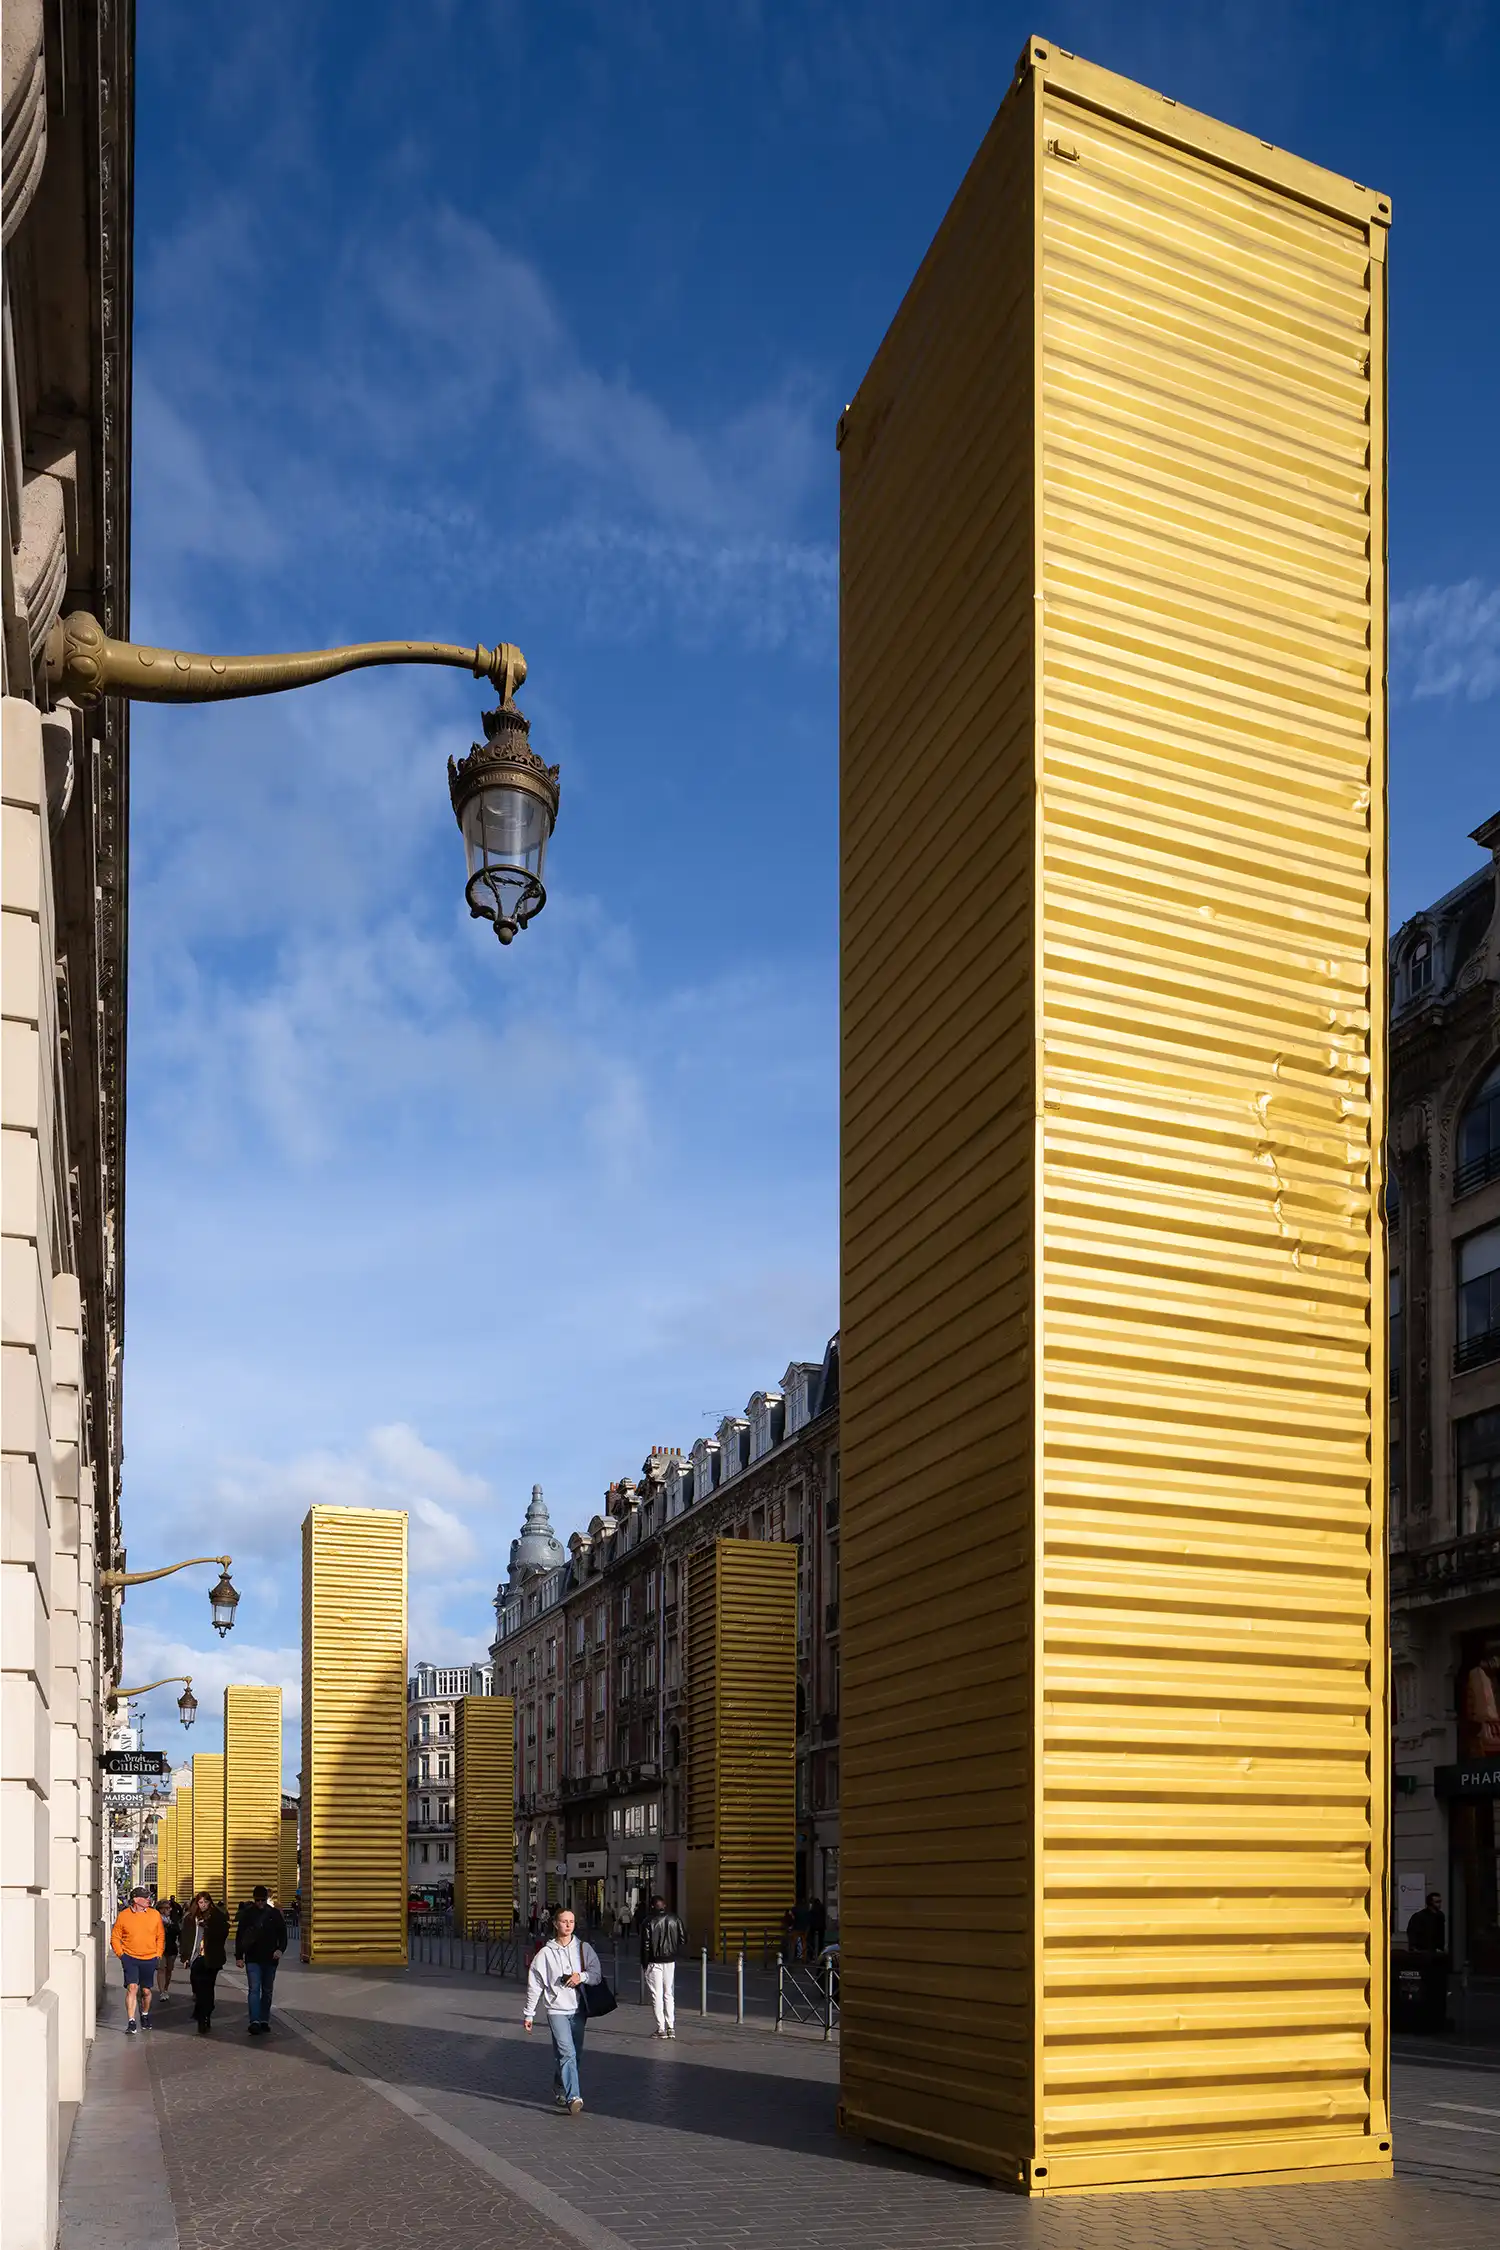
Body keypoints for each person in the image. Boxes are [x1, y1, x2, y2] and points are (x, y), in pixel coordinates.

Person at [523, 1905, 601, 2114]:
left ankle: (559, 2086)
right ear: (556, 1924)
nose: (568, 1925)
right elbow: (535, 1984)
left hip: (578, 2009)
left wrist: (581, 1977)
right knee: (567, 2052)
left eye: (572, 1921)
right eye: (564, 1921)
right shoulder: (545, 1953)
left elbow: (596, 1974)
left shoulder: (584, 1948)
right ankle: (573, 2096)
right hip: (556, 2009)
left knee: (575, 2054)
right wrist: (529, 2013)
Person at [109, 1886, 165, 2035]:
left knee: (146, 1991)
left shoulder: (154, 1915)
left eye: (148, 1897)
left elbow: (160, 1935)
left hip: (149, 1957)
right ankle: (131, 2021)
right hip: (130, 1957)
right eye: (145, 1897)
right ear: (135, 1900)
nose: (148, 1900)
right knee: (132, 1988)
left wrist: (158, 1954)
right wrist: (121, 1954)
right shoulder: (124, 1915)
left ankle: (145, 2015)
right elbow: (115, 1937)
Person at [235, 1884, 288, 2036]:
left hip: (270, 1959)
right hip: (252, 1958)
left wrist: (280, 1949)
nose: (260, 1903)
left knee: (267, 1991)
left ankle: (264, 2019)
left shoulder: (274, 1914)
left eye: (262, 1900)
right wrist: (239, 1957)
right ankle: (255, 2021)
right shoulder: (247, 1914)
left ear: (266, 1899)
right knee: (254, 1989)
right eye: (257, 1900)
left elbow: (283, 1934)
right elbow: (240, 1936)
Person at [182, 1891, 230, 2035]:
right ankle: (202, 2012)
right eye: (200, 1903)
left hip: (211, 1957)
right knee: (198, 1987)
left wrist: (208, 1926)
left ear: (210, 1902)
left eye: (205, 1902)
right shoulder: (190, 1918)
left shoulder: (217, 1916)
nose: (203, 1906)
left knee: (208, 1988)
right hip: (196, 1957)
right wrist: (185, 1957)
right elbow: (185, 1937)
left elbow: (223, 1933)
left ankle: (205, 2015)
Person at [639, 1894, 686, 2040]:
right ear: (664, 1905)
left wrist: (644, 1963)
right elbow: (683, 1938)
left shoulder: (648, 1922)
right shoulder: (675, 1919)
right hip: (670, 1961)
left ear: (652, 1906)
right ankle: (671, 2026)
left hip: (654, 1961)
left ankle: (661, 2028)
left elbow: (646, 1945)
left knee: (656, 1994)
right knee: (668, 1993)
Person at [1407, 1889, 1449, 2031]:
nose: (1439, 1904)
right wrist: (1415, 1948)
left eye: (1440, 1901)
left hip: (1434, 1954)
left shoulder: (1440, 1916)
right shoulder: (1420, 1917)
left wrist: (1440, 1948)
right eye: (1437, 1901)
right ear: (1430, 1903)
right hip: (1424, 1953)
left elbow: (1440, 1935)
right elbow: (1414, 1932)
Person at [158, 1897, 182, 1999]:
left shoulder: (173, 1918)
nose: (169, 1910)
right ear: (161, 1909)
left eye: (169, 1908)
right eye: (166, 1908)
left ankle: (166, 1988)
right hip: (160, 1948)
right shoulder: (156, 1919)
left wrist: (170, 1926)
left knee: (169, 1970)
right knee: (161, 1969)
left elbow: (178, 1931)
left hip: (171, 1947)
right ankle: (162, 1991)